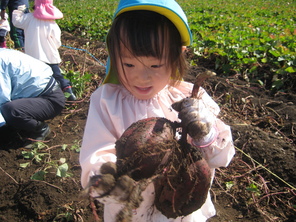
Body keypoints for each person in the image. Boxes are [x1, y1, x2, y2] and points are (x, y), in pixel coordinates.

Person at [79, 0, 235, 221]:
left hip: (179, 207)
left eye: (155, 65)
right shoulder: (107, 101)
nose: (141, 77)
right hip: (131, 210)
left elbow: (222, 156)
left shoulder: (190, 98)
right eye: (129, 64)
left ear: (177, 56)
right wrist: (110, 183)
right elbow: (96, 153)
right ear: (114, 56)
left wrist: (205, 132)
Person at [12, 0, 76, 101]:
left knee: (35, 77)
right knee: (57, 75)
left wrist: (19, 10)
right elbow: (57, 42)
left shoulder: (28, 18)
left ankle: (39, 96)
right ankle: (68, 92)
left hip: (33, 56)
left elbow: (16, 22)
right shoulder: (52, 23)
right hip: (50, 55)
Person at [0, 48, 65, 146]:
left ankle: (41, 128)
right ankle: (20, 122)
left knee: (9, 110)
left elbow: (2, 99)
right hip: (35, 95)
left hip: (49, 99)